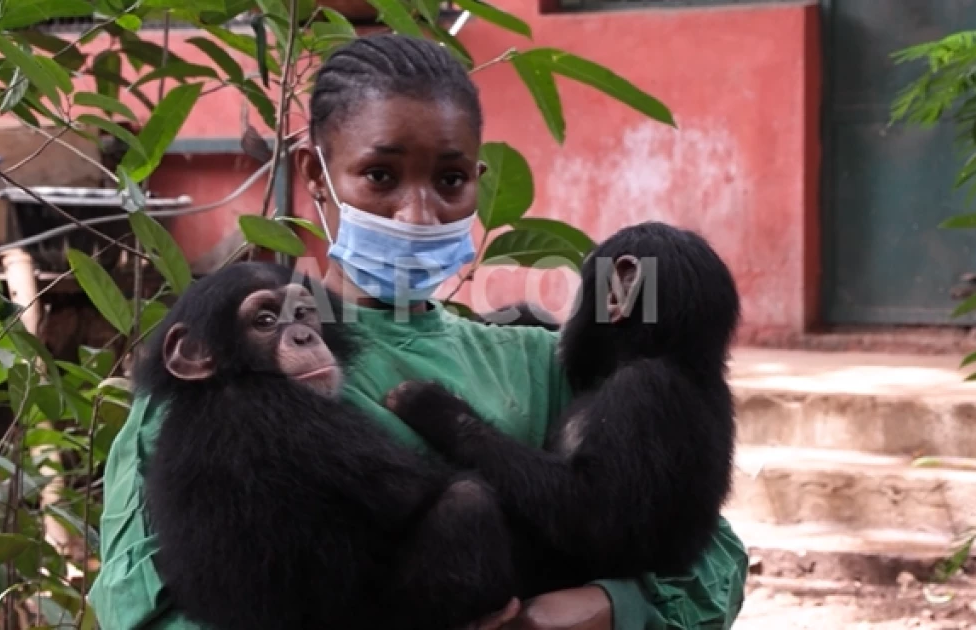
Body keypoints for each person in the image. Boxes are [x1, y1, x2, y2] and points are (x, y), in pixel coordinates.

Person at [88, 32, 749, 630]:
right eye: (379, 176)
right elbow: (137, 606)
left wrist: (609, 608)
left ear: (476, 188)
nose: (417, 211)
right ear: (316, 175)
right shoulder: (227, 364)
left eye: (450, 180)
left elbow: (701, 552)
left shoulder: (541, 364)